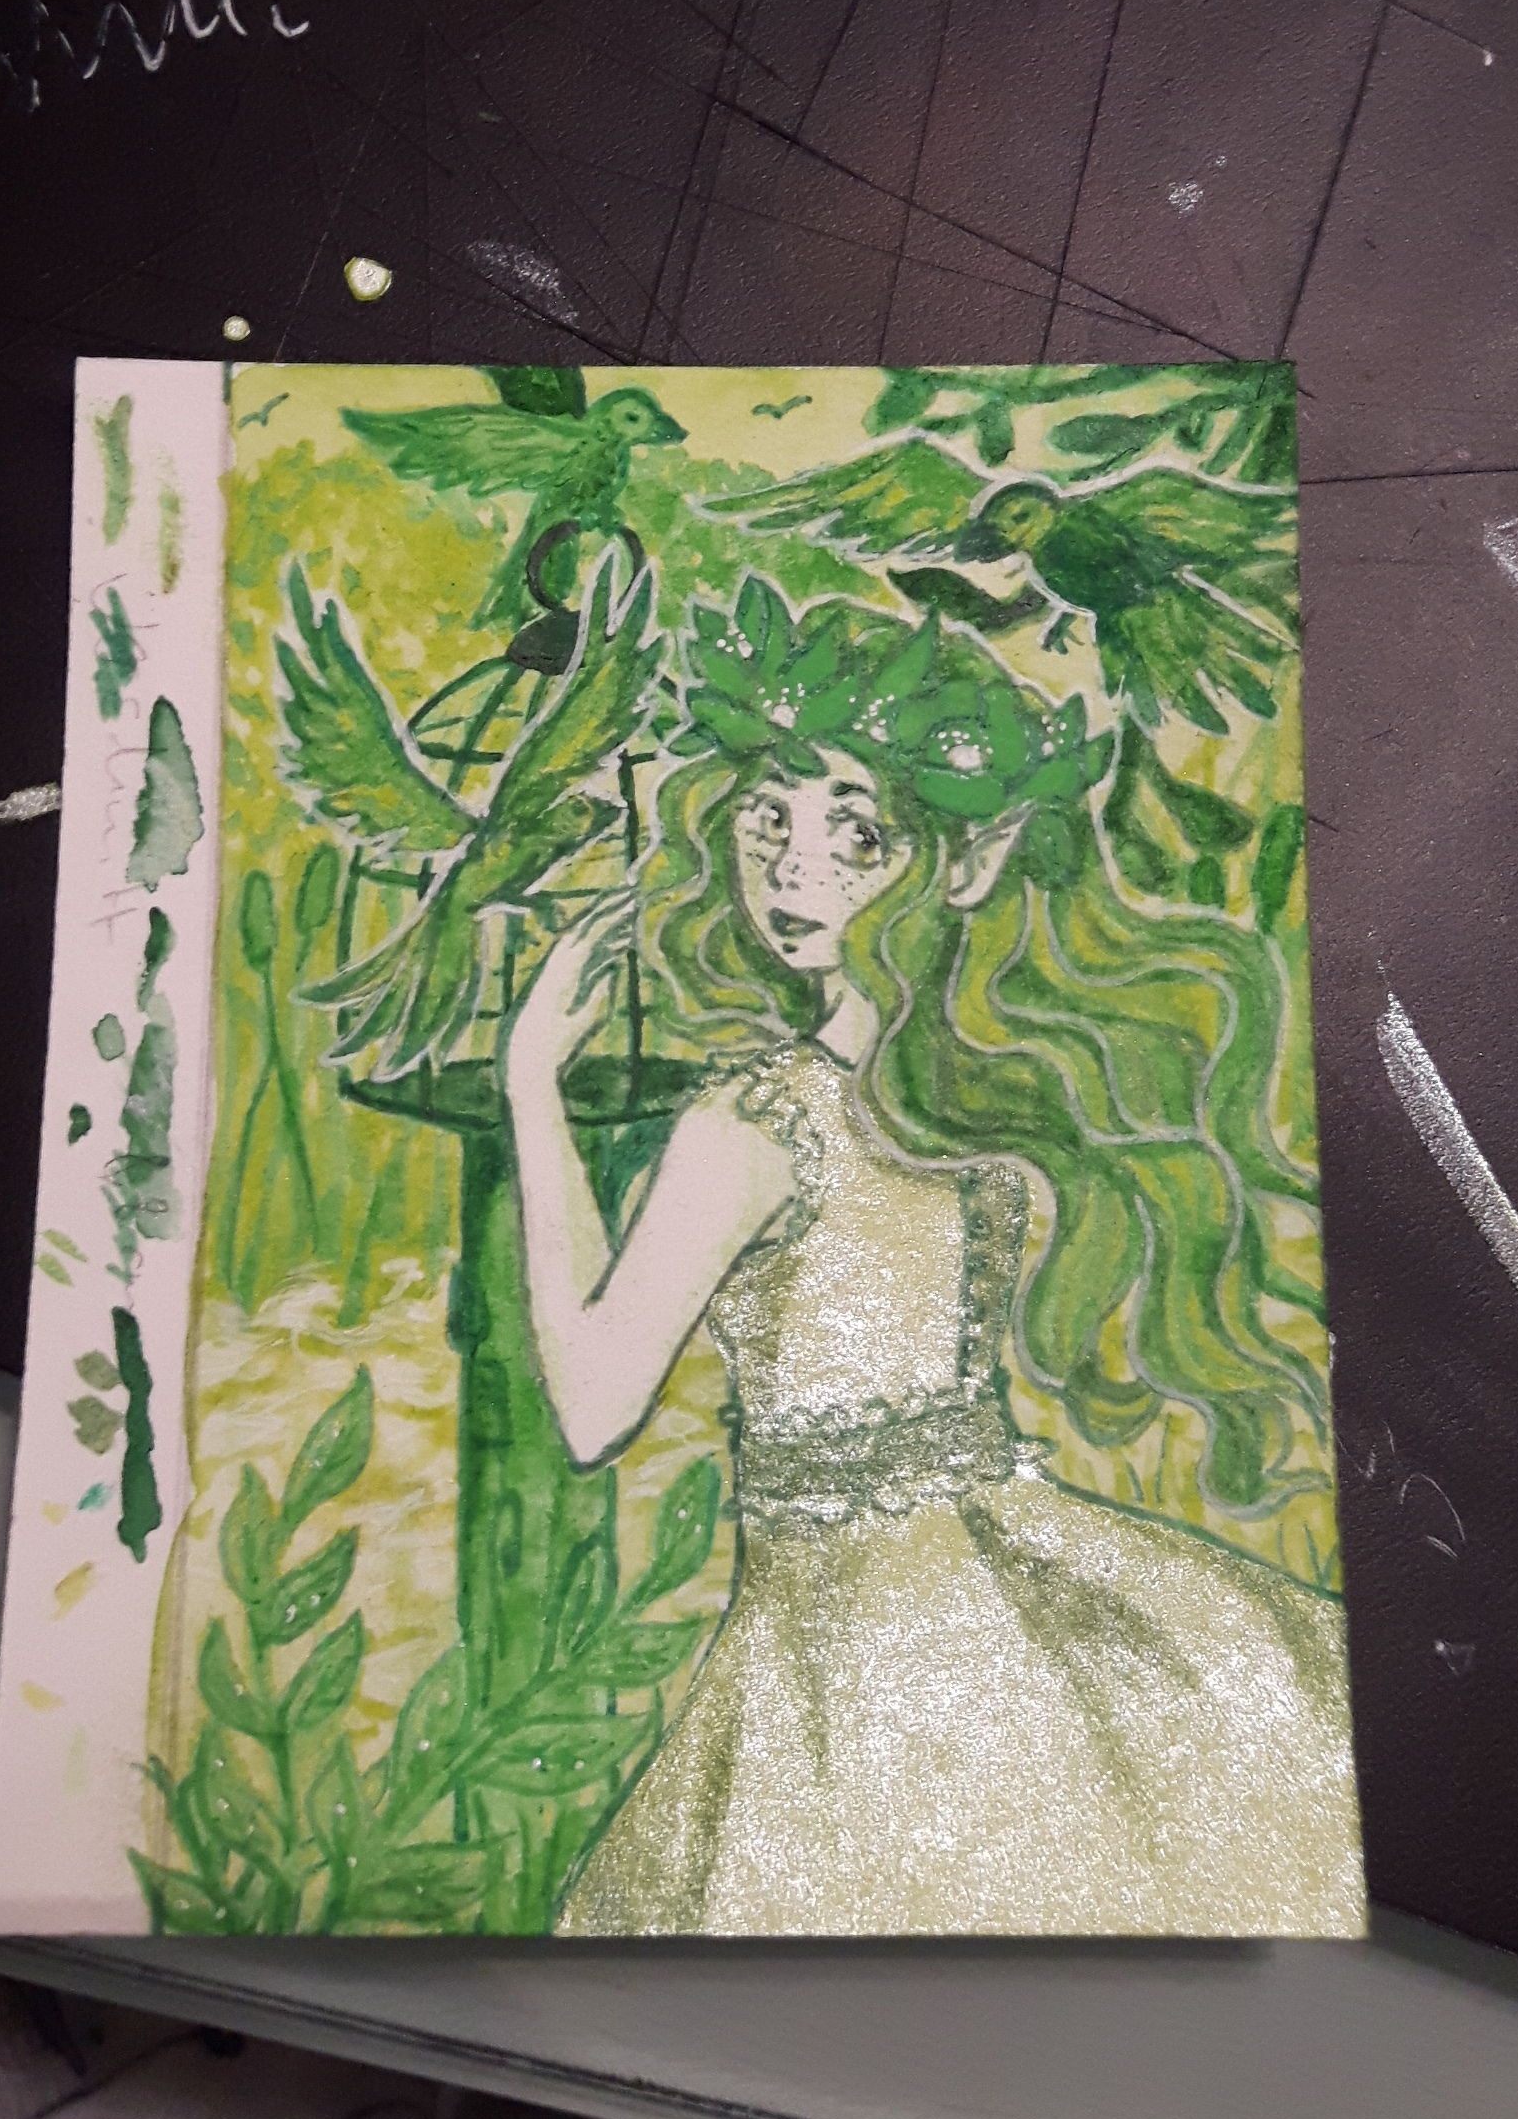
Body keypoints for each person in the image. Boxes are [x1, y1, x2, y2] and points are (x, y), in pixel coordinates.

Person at [502, 583, 1366, 1938]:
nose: (792, 871)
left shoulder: (756, 1122)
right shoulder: (985, 1096)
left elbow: (594, 1406)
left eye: (855, 832)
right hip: (999, 1584)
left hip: (839, 1651)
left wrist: (531, 1090)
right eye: (768, 820)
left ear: (966, 860)